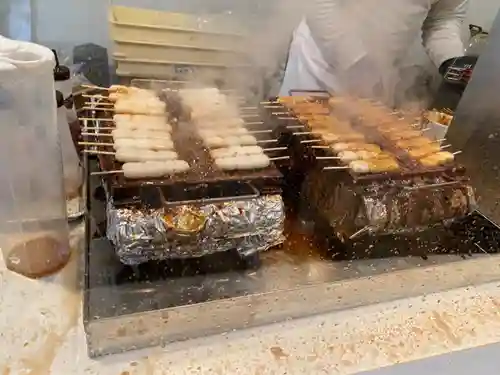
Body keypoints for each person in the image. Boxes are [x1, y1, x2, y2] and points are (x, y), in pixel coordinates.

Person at [279, 0, 470, 102]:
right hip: (320, 67)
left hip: (380, 73)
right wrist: (355, 59)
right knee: (300, 145)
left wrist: (450, 58)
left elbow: (442, 19)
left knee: (358, 153)